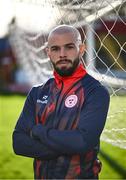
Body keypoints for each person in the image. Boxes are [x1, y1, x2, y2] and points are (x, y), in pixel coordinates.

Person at [12, 24, 110, 179]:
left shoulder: (95, 92)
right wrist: (67, 146)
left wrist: (38, 131)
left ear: (81, 49)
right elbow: (18, 143)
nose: (62, 54)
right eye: (56, 49)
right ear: (48, 53)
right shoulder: (37, 92)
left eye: (69, 47)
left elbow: (82, 142)